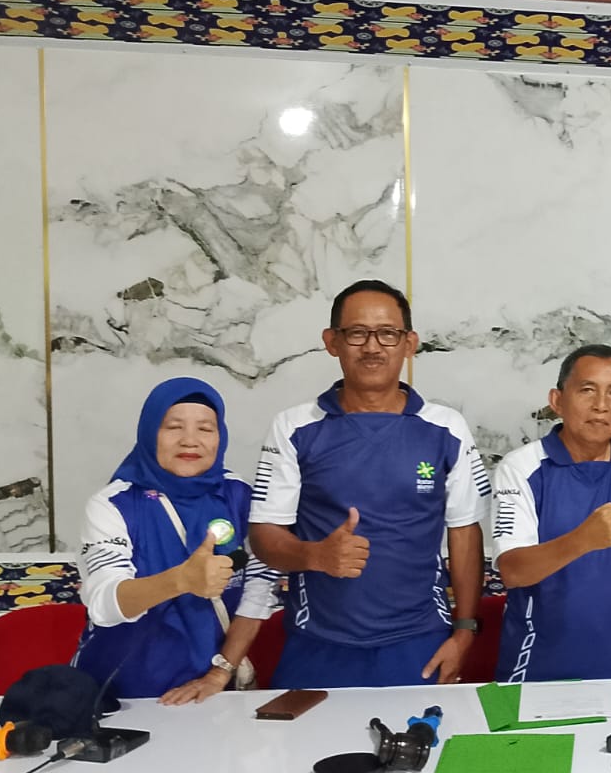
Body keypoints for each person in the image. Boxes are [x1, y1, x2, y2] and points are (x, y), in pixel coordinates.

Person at [249, 280, 489, 687]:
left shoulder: (447, 428)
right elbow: (263, 534)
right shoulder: (293, 427)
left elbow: (465, 532)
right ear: (332, 342)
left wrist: (465, 631)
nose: (373, 347)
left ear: (409, 343)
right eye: (357, 333)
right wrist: (315, 555)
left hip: (420, 644)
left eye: (388, 333)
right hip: (316, 644)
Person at [75, 377, 280, 702]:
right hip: (122, 695)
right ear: (149, 433)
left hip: (212, 695)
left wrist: (221, 672)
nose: (190, 441)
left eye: (205, 428)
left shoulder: (239, 497)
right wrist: (181, 580)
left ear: (220, 437)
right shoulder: (114, 504)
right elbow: (103, 604)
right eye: (173, 427)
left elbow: (258, 591)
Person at [491, 345, 611, 681]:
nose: (601, 405)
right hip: (536, 663)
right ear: (557, 400)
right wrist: (582, 540)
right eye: (587, 390)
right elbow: (512, 571)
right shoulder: (521, 468)